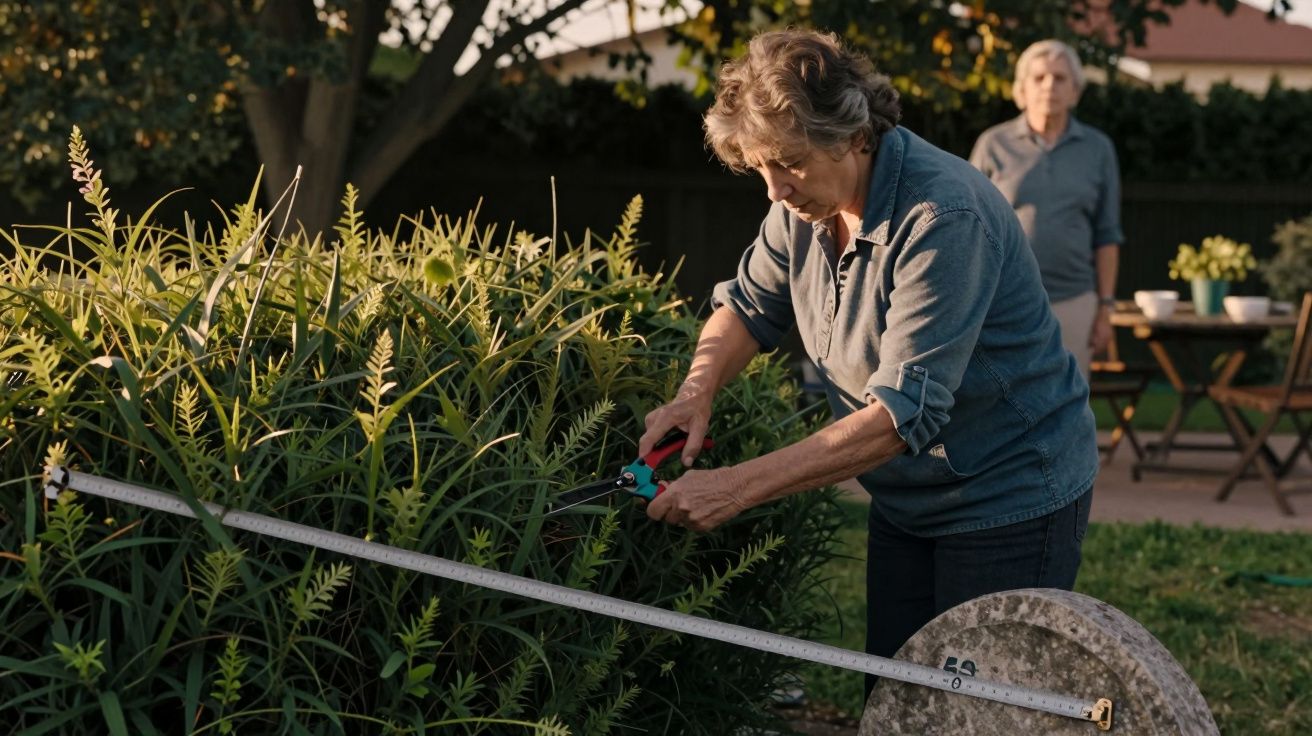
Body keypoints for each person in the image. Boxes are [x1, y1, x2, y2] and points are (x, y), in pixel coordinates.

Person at [636, 29, 1099, 689]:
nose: (773, 191)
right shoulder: (804, 205)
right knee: (895, 696)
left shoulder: (942, 218)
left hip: (1010, 493)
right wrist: (695, 392)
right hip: (909, 497)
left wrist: (735, 486)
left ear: (854, 135)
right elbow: (745, 306)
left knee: (980, 717)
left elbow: (897, 417)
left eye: (787, 164)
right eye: (759, 167)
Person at [969, 39, 1125, 379]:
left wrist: (1105, 309)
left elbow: (1107, 234)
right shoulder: (993, 145)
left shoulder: (1098, 149)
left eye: (1060, 78)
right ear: (1021, 89)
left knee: (1070, 409)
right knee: (1007, 405)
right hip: (1005, 301)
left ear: (1076, 91)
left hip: (1075, 301)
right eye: (1039, 78)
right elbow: (970, 229)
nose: (1049, 86)